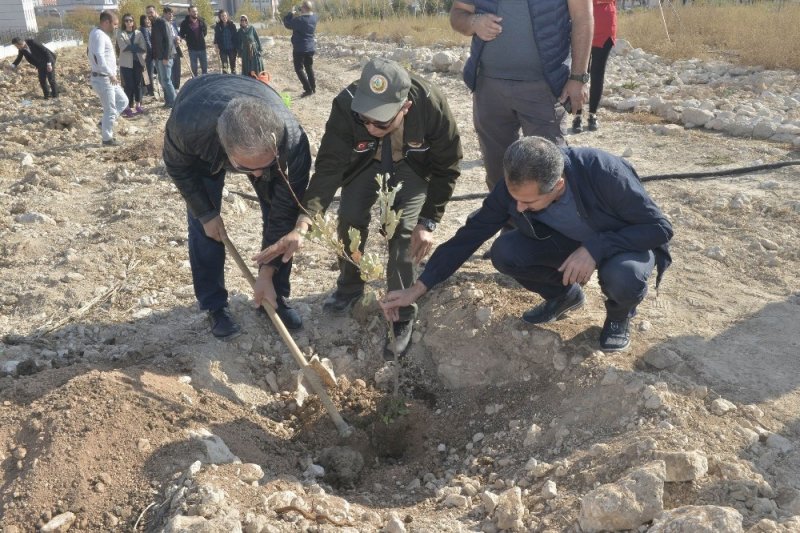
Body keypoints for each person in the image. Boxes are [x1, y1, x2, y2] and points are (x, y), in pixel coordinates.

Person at [380, 136, 673, 352]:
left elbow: (659, 228)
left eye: (529, 201)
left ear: (557, 186)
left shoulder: (604, 173)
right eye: (514, 197)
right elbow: (471, 235)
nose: (517, 208)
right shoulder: (515, 186)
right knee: (506, 252)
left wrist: (595, 248)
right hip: (568, 243)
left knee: (624, 277)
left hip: (623, 242)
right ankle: (564, 295)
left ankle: (619, 317)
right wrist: (418, 288)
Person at [253, 58, 462, 358]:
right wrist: (304, 223)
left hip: (413, 169)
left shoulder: (431, 104)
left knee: (404, 232)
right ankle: (350, 287)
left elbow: (448, 166)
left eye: (381, 122)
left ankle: (402, 313)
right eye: (365, 119)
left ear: (405, 108)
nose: (370, 127)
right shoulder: (345, 105)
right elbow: (329, 168)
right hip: (366, 165)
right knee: (349, 218)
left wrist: (428, 221)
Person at [163, 74, 311, 338]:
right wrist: (207, 214)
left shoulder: (293, 142)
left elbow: (284, 211)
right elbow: (178, 167)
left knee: (279, 218)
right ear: (225, 148)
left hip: (258, 109)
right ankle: (215, 306)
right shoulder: (188, 127)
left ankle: (273, 295)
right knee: (205, 226)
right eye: (245, 168)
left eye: (262, 166)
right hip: (202, 121)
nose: (254, 176)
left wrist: (267, 271)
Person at [449, 0, 593, 192]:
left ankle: (551, 222)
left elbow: (582, 18)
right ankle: (509, 221)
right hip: (489, 87)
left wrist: (578, 77)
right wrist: (474, 22)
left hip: (543, 88)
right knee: (497, 173)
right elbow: (458, 14)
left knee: (549, 172)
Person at [572, 0, 617, 133]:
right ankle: (577, 115)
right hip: (581, 23)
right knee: (579, 72)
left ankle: (593, 114)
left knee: (598, 72)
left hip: (604, 23)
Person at [88, 11, 129, 147]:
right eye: (115, 24)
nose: (116, 27)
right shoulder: (99, 35)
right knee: (110, 110)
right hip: (104, 78)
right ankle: (107, 139)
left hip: (107, 77)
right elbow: (98, 56)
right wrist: (109, 73)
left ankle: (104, 123)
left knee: (123, 100)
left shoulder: (98, 33)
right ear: (106, 22)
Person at [283, 0, 318, 97]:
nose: (300, 8)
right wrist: (301, 13)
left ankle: (308, 89)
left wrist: (291, 13)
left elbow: (287, 24)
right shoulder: (314, 18)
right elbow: (308, 15)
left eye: (302, 7)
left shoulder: (299, 20)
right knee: (309, 67)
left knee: (298, 69)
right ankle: (313, 88)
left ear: (304, 8)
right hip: (310, 47)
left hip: (300, 48)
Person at [116, 13, 147, 116]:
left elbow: (143, 47)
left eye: (130, 20)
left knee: (138, 85)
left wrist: (132, 47)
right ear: (123, 22)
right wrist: (136, 47)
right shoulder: (120, 33)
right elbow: (123, 47)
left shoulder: (139, 33)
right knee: (129, 85)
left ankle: (138, 105)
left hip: (138, 62)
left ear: (133, 22)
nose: (129, 22)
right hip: (126, 64)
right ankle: (127, 107)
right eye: (126, 20)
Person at [147, 4, 178, 107]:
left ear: (155, 12)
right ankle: (168, 102)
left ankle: (174, 103)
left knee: (166, 80)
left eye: (151, 12)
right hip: (158, 57)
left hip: (165, 57)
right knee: (162, 80)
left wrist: (166, 57)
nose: (149, 14)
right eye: (148, 13)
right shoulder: (154, 24)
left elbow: (169, 41)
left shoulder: (162, 22)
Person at [180, 4, 208, 77]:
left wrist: (200, 38)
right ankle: (195, 83)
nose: (195, 13)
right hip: (192, 49)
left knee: (204, 68)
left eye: (196, 11)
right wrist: (189, 40)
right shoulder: (184, 23)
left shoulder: (201, 20)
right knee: (194, 69)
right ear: (189, 12)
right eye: (193, 11)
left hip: (202, 48)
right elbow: (182, 34)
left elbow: (205, 32)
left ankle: (205, 82)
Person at [164, 7, 183, 90]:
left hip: (177, 49)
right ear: (164, 14)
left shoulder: (174, 24)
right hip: (169, 51)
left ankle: (177, 86)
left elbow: (178, 34)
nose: (171, 15)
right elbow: (165, 38)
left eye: (172, 13)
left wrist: (179, 38)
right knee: (170, 71)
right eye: (169, 13)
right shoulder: (163, 24)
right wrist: (173, 39)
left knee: (177, 69)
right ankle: (172, 88)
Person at [213, 10, 238, 74]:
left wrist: (237, 46)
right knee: (225, 66)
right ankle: (225, 80)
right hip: (223, 49)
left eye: (225, 15)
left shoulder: (232, 25)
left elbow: (236, 36)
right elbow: (216, 37)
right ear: (220, 17)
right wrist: (215, 44)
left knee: (233, 66)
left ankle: (234, 78)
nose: (224, 17)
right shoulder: (218, 26)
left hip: (232, 48)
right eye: (222, 16)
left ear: (227, 16)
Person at [139, 14, 156, 97]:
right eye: (147, 20)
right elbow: (147, 43)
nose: (148, 21)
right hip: (148, 55)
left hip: (143, 55)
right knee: (149, 73)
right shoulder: (144, 30)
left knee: (146, 73)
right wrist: (152, 53)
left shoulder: (141, 29)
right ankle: (151, 90)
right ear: (143, 21)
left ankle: (146, 90)